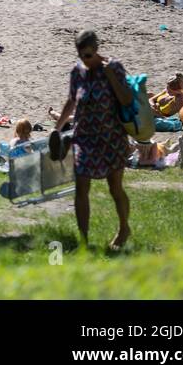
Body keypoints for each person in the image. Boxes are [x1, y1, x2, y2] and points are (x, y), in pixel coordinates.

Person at [51, 30, 133, 250]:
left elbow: (126, 100)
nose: (84, 60)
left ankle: (124, 228)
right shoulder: (77, 72)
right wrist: (57, 129)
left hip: (111, 137)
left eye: (88, 55)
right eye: (81, 56)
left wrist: (110, 77)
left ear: (96, 50)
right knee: (81, 187)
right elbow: (71, 101)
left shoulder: (114, 67)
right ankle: (83, 240)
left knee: (115, 188)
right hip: (84, 137)